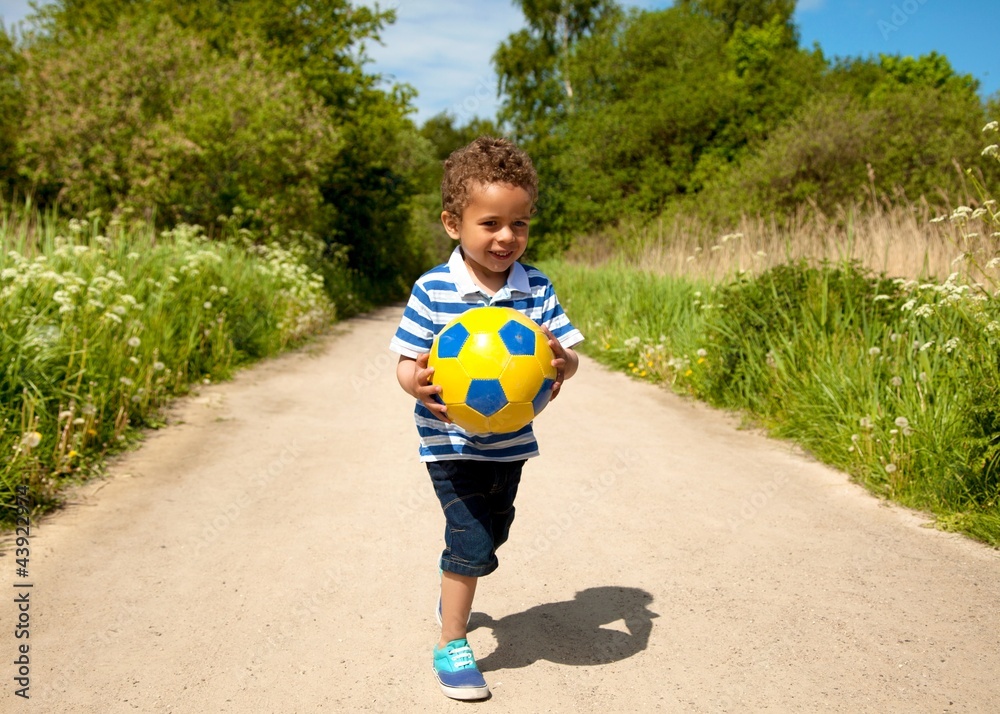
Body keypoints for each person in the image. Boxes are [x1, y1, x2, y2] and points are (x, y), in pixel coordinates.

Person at [389, 136, 583, 700]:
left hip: (510, 442)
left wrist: (561, 363)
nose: (507, 238)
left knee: (494, 530)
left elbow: (567, 358)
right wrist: (416, 385)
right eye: (491, 223)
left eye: (519, 224)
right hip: (449, 440)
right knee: (471, 539)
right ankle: (453, 642)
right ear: (454, 223)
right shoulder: (433, 290)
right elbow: (406, 363)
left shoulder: (537, 288)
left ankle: (459, 575)